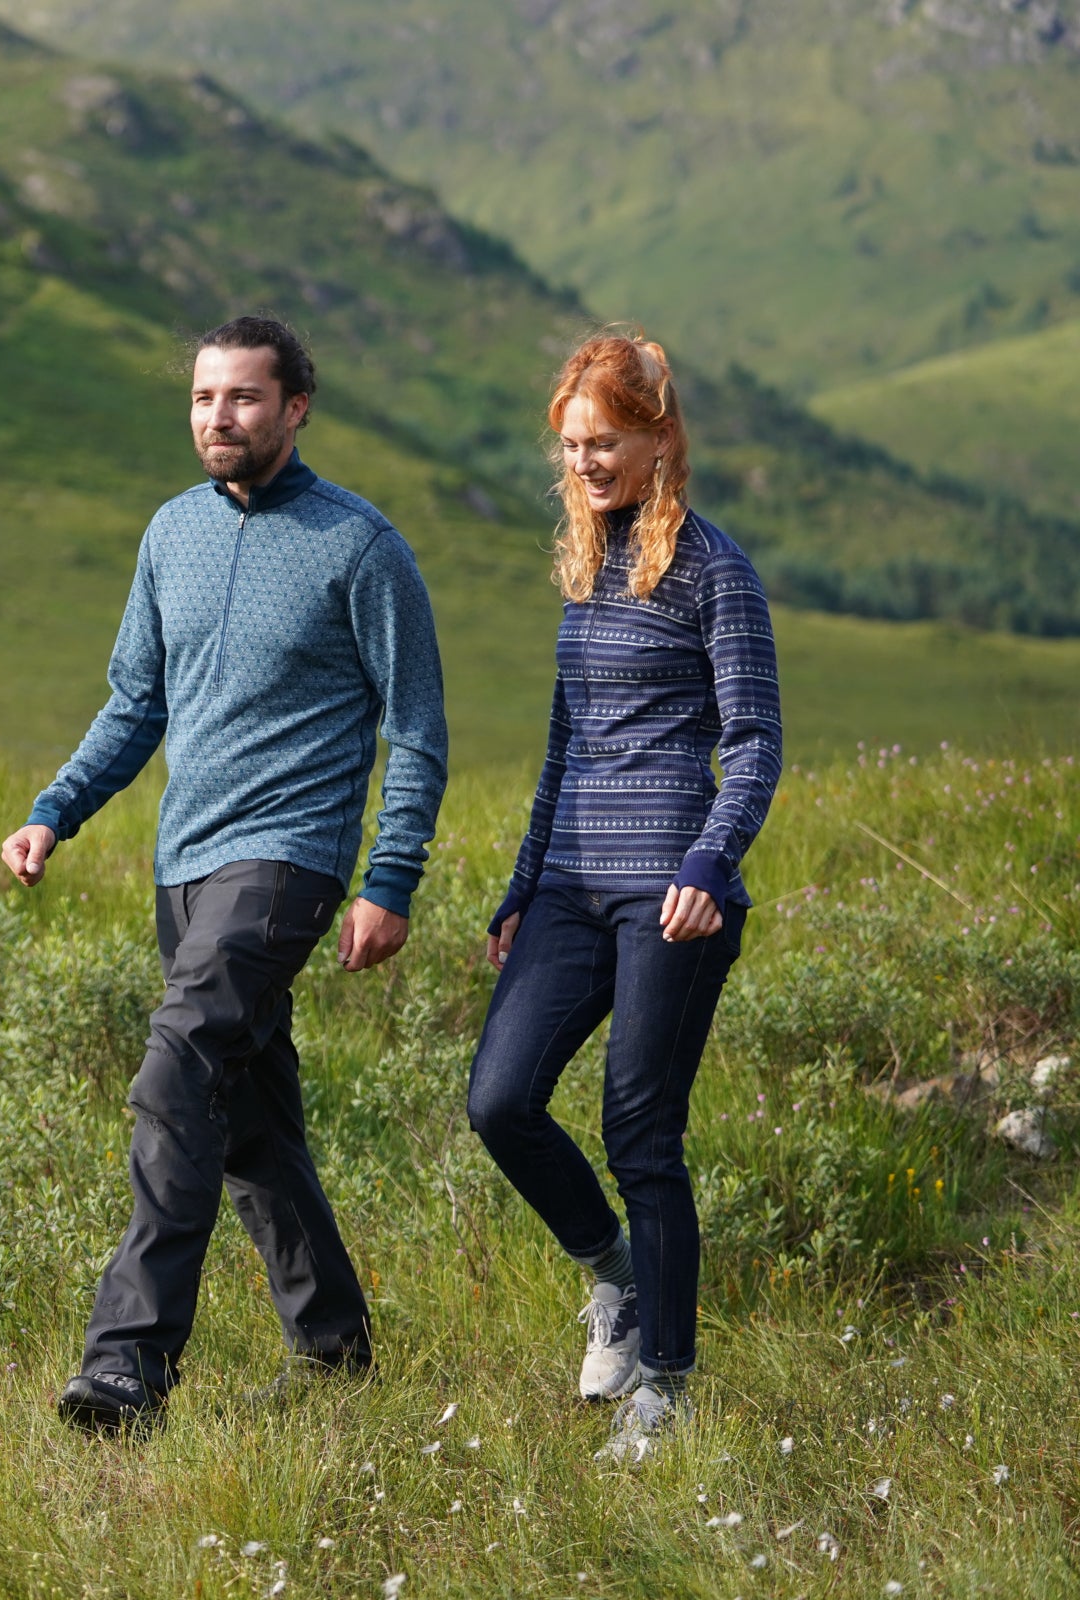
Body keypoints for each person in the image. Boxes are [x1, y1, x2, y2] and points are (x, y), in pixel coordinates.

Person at [0, 315, 448, 1434]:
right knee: (245, 1123)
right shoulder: (170, 534)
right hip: (184, 864)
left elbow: (421, 730)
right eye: (204, 399)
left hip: (288, 858)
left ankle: (126, 1366)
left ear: (296, 408)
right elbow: (135, 703)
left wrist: (389, 879)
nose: (218, 418)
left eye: (244, 398)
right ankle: (336, 1347)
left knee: (178, 1065)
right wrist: (55, 812)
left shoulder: (362, 546)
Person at [464, 330, 781, 1464]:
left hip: (670, 895)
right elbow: (563, 746)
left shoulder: (714, 570)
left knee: (641, 1128)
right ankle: (614, 1278)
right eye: (572, 446)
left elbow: (753, 743)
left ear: (659, 437)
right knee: (499, 1099)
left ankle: (670, 1388)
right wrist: (518, 886)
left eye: (605, 442)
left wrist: (706, 864)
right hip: (567, 886)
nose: (587, 463)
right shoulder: (586, 566)